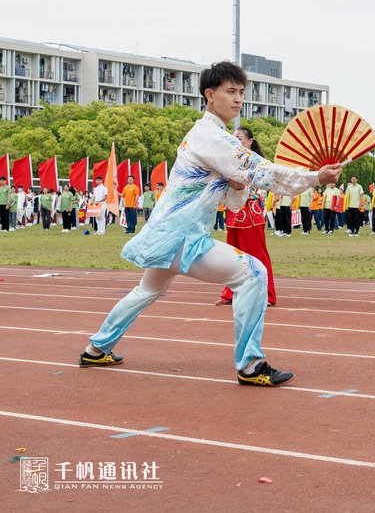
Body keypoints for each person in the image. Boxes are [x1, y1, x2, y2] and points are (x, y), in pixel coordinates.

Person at [80, 61, 344, 386]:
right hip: (183, 236)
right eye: (230, 91)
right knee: (254, 273)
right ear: (209, 94)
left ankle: (96, 348)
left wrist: (237, 184)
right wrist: (315, 177)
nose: (238, 99)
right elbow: (261, 170)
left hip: (168, 234)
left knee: (147, 290)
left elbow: (235, 199)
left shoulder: (211, 136)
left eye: (241, 93)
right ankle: (250, 365)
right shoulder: (212, 137)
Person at [217, 127, 278, 308]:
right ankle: (229, 294)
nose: (235, 140)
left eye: (240, 137)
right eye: (233, 137)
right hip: (234, 213)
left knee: (258, 256)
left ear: (250, 141)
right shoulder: (230, 160)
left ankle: (267, 294)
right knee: (232, 257)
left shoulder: (258, 162)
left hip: (252, 213)